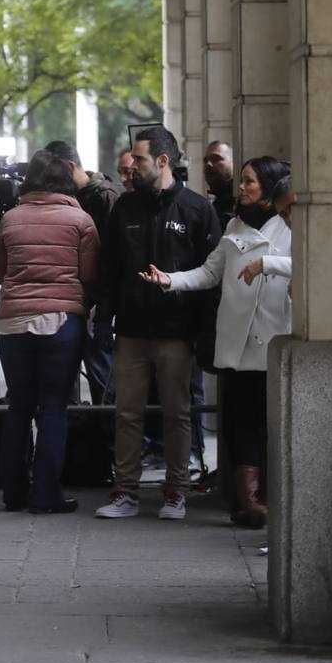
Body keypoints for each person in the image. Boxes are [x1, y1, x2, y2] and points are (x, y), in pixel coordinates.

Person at [140, 157, 292, 527]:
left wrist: (266, 264)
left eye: (250, 182)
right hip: (236, 342)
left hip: (271, 338)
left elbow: (310, 263)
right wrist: (170, 281)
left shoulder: (290, 226)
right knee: (240, 424)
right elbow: (210, 272)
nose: (242, 188)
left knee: (271, 423)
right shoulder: (235, 224)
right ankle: (248, 501)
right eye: (241, 180)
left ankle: (271, 498)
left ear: (269, 189)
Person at [93, 126, 221, 521]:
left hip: (177, 334)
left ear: (163, 161)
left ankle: (176, 492)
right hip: (131, 331)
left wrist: (203, 334)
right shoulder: (125, 208)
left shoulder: (198, 210)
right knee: (127, 413)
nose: (131, 165)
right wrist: (103, 319)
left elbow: (211, 276)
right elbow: (109, 269)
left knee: (177, 414)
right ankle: (125, 491)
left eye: (141, 158)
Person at [0, 151, 99, 514]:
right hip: (61, 322)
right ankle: (45, 494)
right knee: (53, 408)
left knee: (19, 406)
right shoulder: (81, 220)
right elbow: (88, 275)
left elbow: (1, 269)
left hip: (13, 322)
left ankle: (12, 492)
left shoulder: (10, 219)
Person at [45, 140, 120, 405]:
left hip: (96, 305)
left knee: (103, 382)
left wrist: (102, 309)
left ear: (68, 166)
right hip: (70, 303)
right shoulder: (66, 199)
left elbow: (111, 258)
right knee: (62, 387)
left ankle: (107, 443)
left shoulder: (106, 197)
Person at [203, 141, 236, 230]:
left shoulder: (241, 199)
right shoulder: (216, 202)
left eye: (216, 159)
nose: (208, 164)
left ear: (234, 162)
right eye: (205, 161)